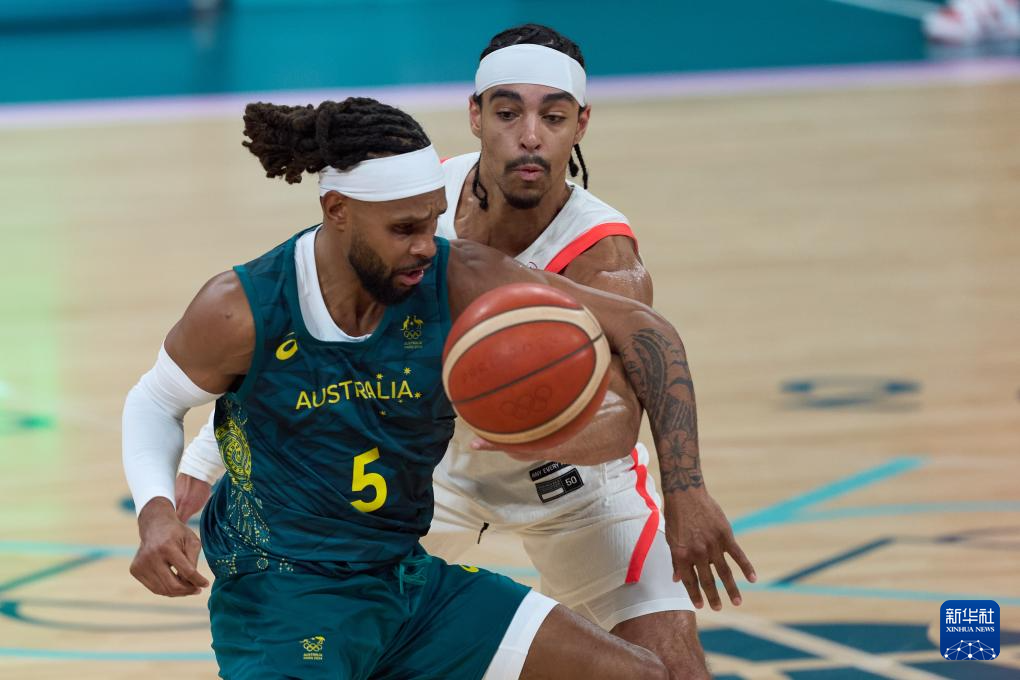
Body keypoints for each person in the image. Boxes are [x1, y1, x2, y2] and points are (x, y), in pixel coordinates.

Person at [175, 25, 754, 678]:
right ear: (476, 115)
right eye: (508, 113)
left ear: (580, 125)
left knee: (674, 672)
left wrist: (674, 484)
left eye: (553, 116)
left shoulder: (604, 258)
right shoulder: (417, 196)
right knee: (348, 624)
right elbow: (307, 321)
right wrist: (207, 450)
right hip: (426, 473)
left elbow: (619, 421)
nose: (530, 136)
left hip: (570, 489)